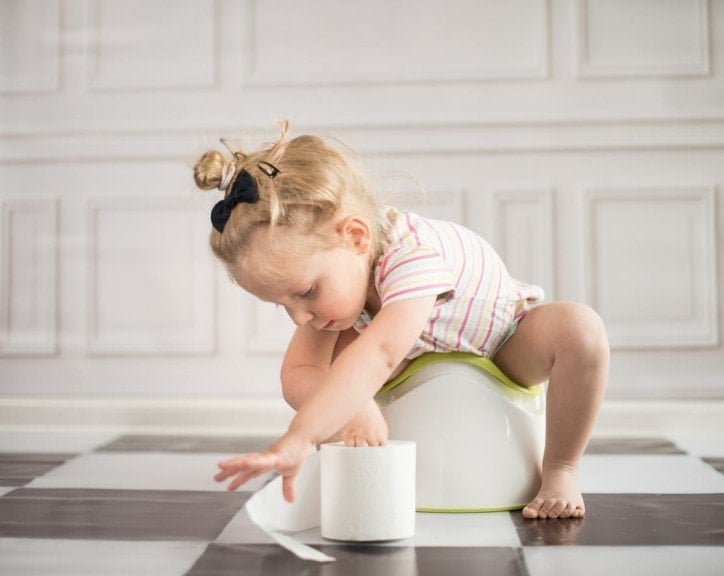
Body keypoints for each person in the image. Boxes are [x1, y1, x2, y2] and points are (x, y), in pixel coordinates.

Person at [193, 121, 609, 519]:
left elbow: (382, 351)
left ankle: (560, 470)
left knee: (580, 329)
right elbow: (298, 373)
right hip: (414, 356)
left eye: (305, 292)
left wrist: (301, 437)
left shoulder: (411, 256)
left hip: (502, 343)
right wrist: (347, 412)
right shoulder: (330, 298)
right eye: (281, 304)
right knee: (335, 359)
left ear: (355, 237)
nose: (299, 316)